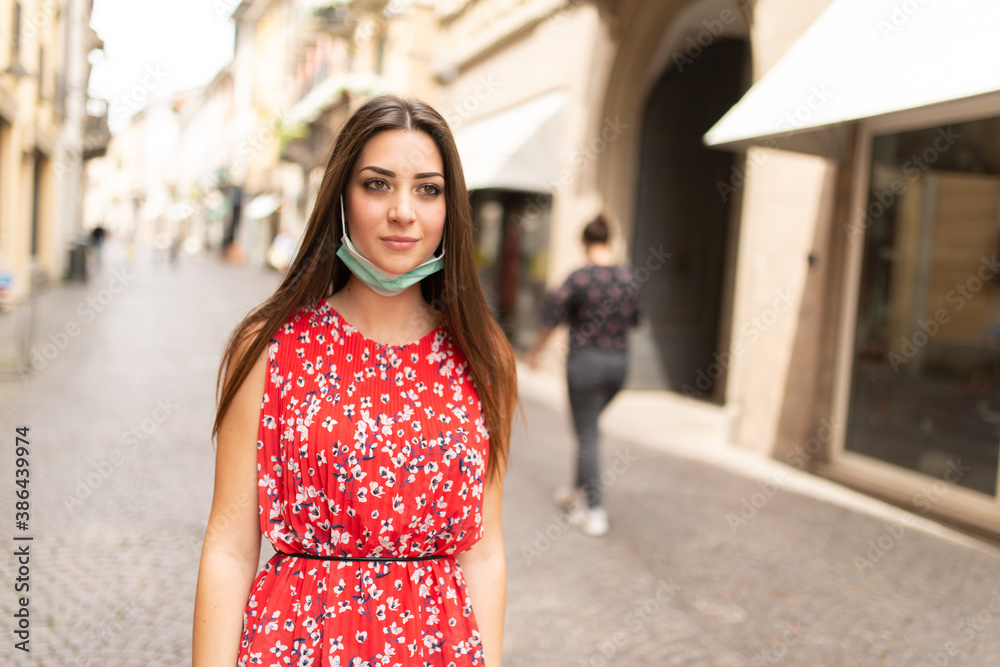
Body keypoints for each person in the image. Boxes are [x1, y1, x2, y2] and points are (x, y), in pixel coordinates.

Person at [193, 95, 517, 667]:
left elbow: (484, 550)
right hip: (297, 648)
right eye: (377, 184)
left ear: (450, 210)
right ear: (341, 197)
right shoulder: (271, 348)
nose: (403, 211)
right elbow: (229, 546)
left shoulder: (481, 356)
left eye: (428, 189)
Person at [527, 214, 641, 537]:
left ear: (584, 243)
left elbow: (551, 318)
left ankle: (595, 510)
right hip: (618, 366)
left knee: (587, 434)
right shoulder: (628, 277)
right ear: (610, 240)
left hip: (585, 365)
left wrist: (535, 352)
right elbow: (636, 319)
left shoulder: (578, 278)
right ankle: (573, 490)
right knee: (587, 430)